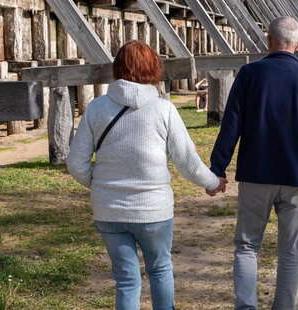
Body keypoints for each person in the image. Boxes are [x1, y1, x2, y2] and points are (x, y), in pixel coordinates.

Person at [67, 40, 225, 310]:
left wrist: (101, 184)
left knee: (126, 280)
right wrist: (212, 182)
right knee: (160, 269)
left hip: (109, 211)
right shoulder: (164, 110)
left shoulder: (96, 108)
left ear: (117, 68)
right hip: (153, 210)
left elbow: (76, 163)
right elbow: (186, 160)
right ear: (154, 68)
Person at [209, 17, 298, 310]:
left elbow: (230, 126)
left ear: (268, 41)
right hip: (296, 177)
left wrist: (217, 170)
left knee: (246, 246)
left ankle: (246, 307)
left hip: (255, 174)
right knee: (290, 252)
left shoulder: (249, 74)